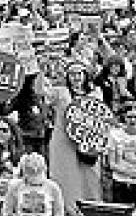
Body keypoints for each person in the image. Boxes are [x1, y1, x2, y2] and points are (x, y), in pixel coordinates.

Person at [37, 62, 105, 216]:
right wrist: (41, 71)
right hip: (63, 141)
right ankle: (67, 209)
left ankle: (91, 208)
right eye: (72, 74)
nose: (76, 77)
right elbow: (41, 92)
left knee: (90, 177)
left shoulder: (96, 93)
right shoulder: (60, 92)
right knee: (65, 177)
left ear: (85, 75)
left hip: (87, 141)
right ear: (67, 76)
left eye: (79, 73)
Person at [106, 103, 136, 216]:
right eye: (129, 117)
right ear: (124, 118)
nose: (132, 120)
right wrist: (126, 172)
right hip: (121, 183)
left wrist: (135, 160)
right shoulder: (114, 135)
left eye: (135, 117)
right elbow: (111, 164)